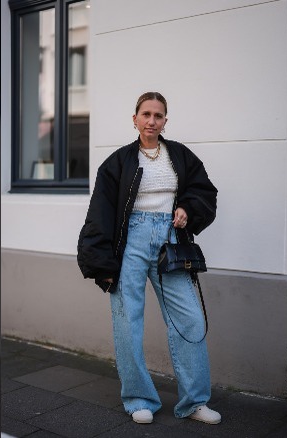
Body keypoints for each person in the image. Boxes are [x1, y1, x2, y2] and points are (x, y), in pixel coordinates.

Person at [77, 92, 221, 425]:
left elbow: (204, 191)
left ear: (165, 121)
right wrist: (101, 263)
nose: (151, 121)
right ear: (135, 119)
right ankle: (138, 397)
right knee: (128, 322)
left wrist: (186, 208)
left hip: (170, 241)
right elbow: (99, 213)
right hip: (130, 242)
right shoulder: (119, 161)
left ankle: (195, 402)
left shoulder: (180, 156)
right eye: (145, 114)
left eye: (158, 115)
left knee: (191, 320)